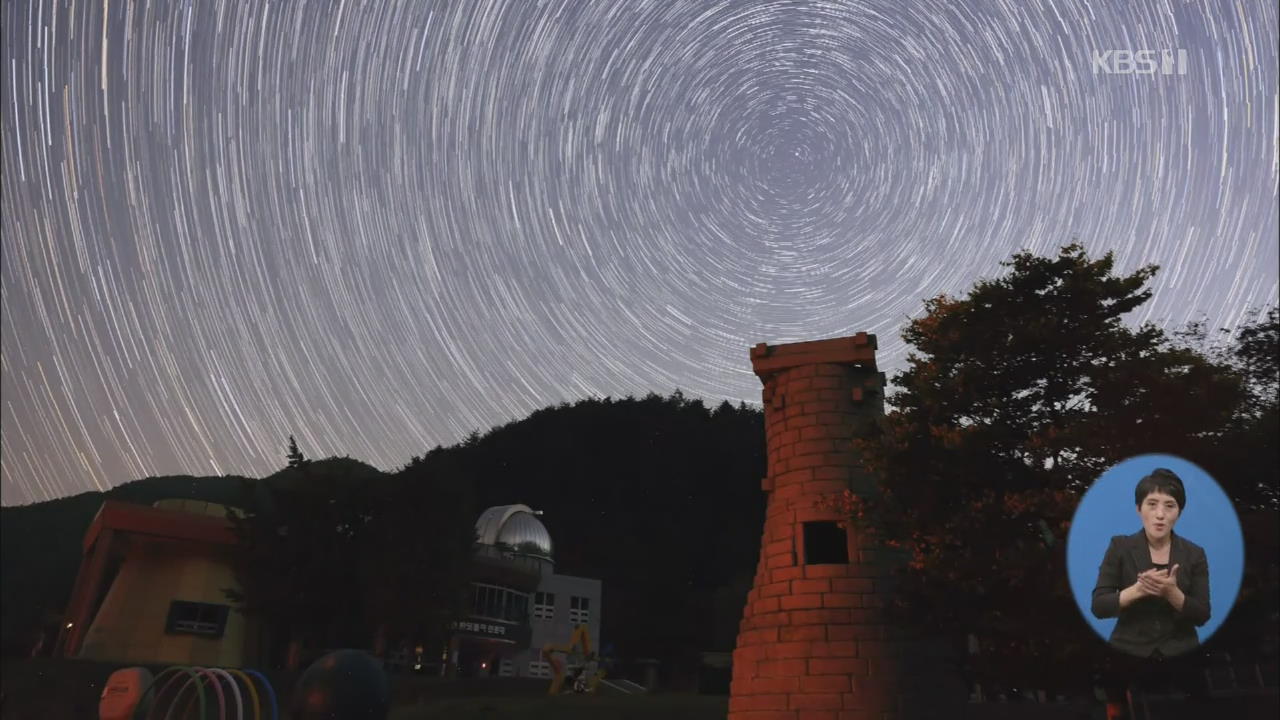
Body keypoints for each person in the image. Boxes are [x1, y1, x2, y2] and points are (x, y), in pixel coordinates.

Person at [1091, 468, 1211, 659]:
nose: (1160, 514)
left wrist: (1174, 594)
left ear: (1179, 512)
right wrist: (1138, 590)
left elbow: (1202, 615)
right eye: (1152, 504)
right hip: (1127, 651)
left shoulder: (1195, 553)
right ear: (1139, 508)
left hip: (1181, 653)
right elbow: (1099, 606)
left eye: (1170, 506)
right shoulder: (1119, 546)